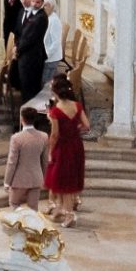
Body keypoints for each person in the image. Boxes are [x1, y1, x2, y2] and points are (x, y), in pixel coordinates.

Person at [44, 72, 89, 224]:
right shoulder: (77, 105)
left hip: (62, 148)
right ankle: (59, 209)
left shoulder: (55, 111)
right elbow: (86, 126)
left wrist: (50, 152)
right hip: (76, 145)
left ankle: (68, 214)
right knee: (68, 178)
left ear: (55, 92)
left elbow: (54, 135)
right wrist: (73, 130)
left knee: (62, 180)